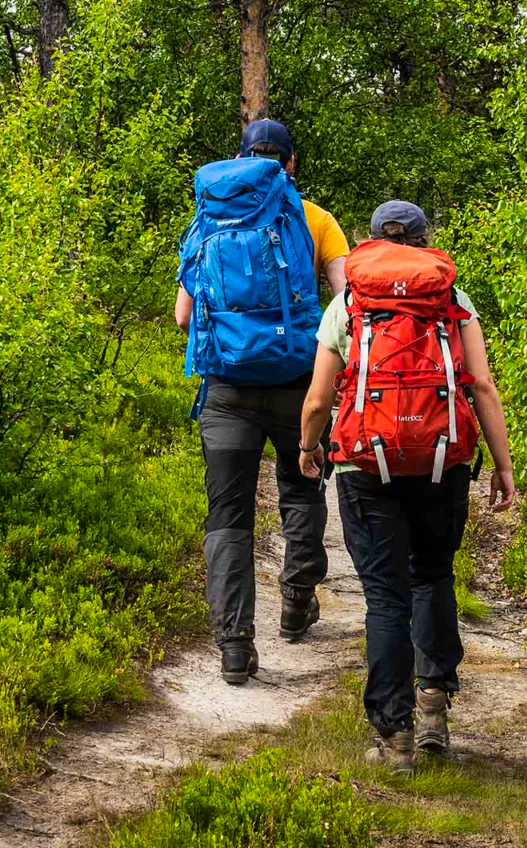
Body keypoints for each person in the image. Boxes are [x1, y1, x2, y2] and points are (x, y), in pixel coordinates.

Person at [298, 200, 519, 772]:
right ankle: (434, 705)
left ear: (371, 240)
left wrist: (307, 446)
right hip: (442, 461)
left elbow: (319, 398)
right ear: (425, 240)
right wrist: (503, 465)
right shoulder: (452, 300)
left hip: (365, 467)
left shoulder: (349, 302)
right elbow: (482, 386)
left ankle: (394, 736)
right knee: (433, 576)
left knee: (385, 598)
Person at [176, 119, 353, 685]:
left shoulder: (209, 218)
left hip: (227, 390)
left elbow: (182, 315)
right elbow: (347, 304)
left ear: (241, 159)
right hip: (298, 382)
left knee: (228, 514)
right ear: (291, 164)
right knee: (301, 487)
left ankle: (234, 645)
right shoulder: (315, 219)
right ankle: (297, 599)